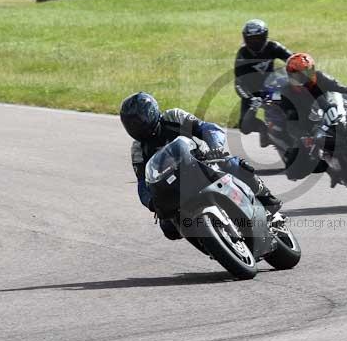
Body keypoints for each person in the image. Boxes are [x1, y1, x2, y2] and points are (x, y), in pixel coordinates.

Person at [121, 92, 283, 240]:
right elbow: (142, 183)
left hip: (201, 163)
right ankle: (209, 242)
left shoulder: (173, 116)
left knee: (231, 164)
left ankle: (267, 199)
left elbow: (208, 129)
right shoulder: (138, 149)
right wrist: (151, 202)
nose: (136, 126)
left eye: (138, 121)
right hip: (175, 186)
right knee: (168, 227)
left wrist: (215, 148)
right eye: (131, 124)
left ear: (151, 112)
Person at [275, 52, 347, 180]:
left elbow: (342, 88)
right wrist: (303, 136)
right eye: (298, 76)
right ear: (290, 76)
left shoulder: (321, 77)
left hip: (335, 114)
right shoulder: (287, 93)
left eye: (307, 73)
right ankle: (331, 167)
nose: (304, 79)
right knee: (294, 170)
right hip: (311, 127)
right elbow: (291, 122)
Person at [234, 19, 293, 147]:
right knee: (245, 126)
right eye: (251, 39)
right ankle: (263, 128)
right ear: (245, 39)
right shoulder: (243, 55)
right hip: (252, 93)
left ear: (265, 36)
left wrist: (300, 66)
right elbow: (238, 83)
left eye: (258, 38)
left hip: (272, 88)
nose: (255, 42)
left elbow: (292, 58)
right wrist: (250, 98)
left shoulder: (273, 47)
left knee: (289, 104)